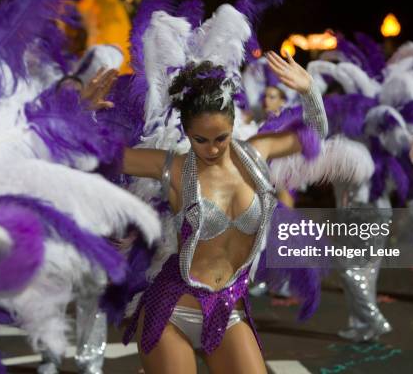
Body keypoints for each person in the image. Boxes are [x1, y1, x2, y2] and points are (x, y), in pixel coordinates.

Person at [119, 50, 327, 373]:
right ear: (187, 133)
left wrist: (309, 90)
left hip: (228, 309)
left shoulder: (257, 155)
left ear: (233, 124)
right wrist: (81, 113)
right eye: (200, 140)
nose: (212, 149)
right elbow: (101, 157)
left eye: (221, 138)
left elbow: (315, 136)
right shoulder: (175, 168)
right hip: (172, 311)